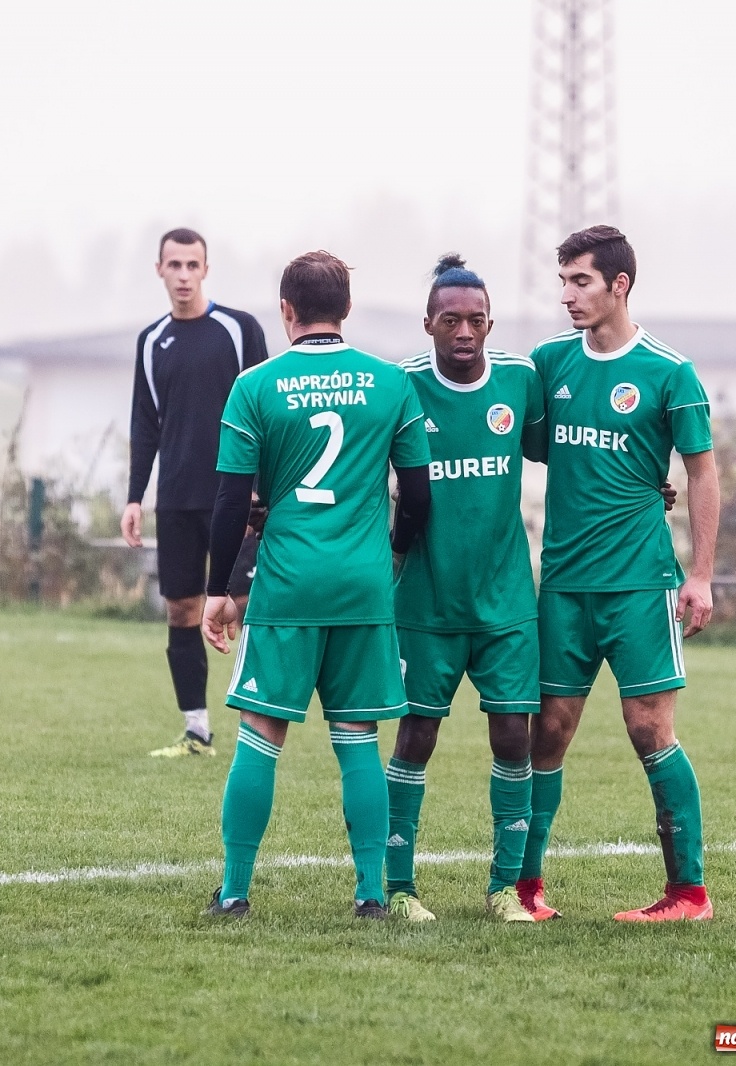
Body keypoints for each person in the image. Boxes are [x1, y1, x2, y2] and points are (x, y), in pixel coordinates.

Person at [201, 250, 431, 919]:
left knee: (260, 733)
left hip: (287, 583)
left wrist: (220, 589)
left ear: (286, 310)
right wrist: (394, 552)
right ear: (347, 309)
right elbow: (416, 493)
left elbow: (228, 500)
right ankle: (369, 895)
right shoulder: (390, 384)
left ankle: (236, 891)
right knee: (357, 737)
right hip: (361, 585)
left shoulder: (257, 386)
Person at [524, 226, 720, 921]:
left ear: (619, 285)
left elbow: (701, 472)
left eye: (580, 281)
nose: (567, 295)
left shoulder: (670, 371)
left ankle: (687, 893)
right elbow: (505, 431)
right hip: (565, 585)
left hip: (641, 583)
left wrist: (700, 574)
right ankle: (525, 887)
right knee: (547, 729)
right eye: (564, 282)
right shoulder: (548, 364)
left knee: (649, 730)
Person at [388, 255, 550, 923]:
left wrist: (642, 478)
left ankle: (504, 889)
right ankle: (397, 888)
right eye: (449, 320)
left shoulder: (519, 381)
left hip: (506, 600)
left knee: (514, 735)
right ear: (427, 323)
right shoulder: (400, 389)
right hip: (425, 602)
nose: (463, 331)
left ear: (490, 323)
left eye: (475, 320)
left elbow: (563, 449)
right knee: (416, 735)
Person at [123, 228, 268, 759]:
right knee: (182, 611)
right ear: (159, 270)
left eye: (192, 265)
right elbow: (146, 424)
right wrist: (136, 496)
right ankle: (197, 732)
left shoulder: (238, 329)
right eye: (174, 265)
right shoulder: (150, 341)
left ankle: (262, 722)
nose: (183, 275)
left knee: (247, 605)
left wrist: (265, 490)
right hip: (178, 499)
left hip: (237, 497)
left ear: (206, 269)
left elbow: (268, 411)